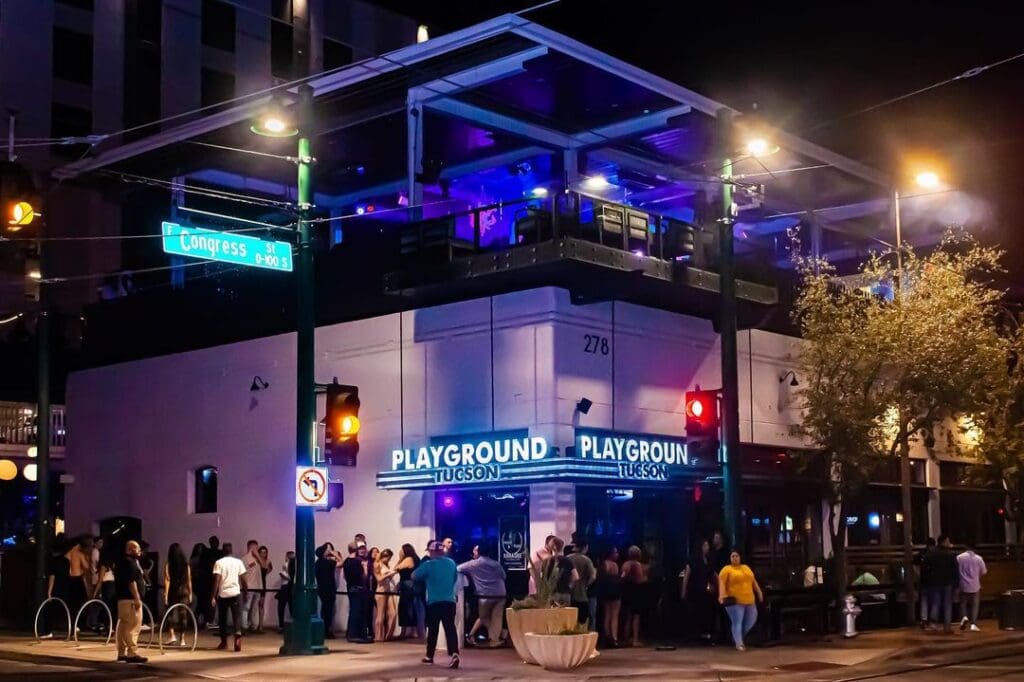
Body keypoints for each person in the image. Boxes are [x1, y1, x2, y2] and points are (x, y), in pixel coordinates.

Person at [413, 540, 460, 669]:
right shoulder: (451, 563)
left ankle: (429, 656)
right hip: (450, 601)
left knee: (433, 630)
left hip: (434, 602)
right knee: (450, 628)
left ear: (432, 551)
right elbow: (455, 578)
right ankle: (454, 653)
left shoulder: (429, 564)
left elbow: (414, 576)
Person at [458, 540, 506, 647]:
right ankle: (495, 639)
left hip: (484, 595)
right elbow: (504, 576)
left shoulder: (473, 564)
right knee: (497, 618)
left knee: (484, 617)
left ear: (478, 552)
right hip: (500, 594)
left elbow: (458, 568)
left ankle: (494, 637)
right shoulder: (496, 564)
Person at [718, 549, 763, 651]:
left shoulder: (746, 568)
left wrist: (759, 592)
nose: (734, 558)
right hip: (735, 601)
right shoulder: (726, 569)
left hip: (749, 599)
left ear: (740, 557)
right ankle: (739, 643)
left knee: (751, 619)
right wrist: (721, 595)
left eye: (736, 556)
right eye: (732, 556)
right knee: (737, 621)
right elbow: (722, 583)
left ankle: (738, 637)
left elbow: (753, 581)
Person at [114, 540, 148, 663]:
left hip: (122, 599)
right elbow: (132, 582)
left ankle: (121, 652)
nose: (139, 551)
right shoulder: (130, 563)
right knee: (133, 626)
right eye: (137, 548)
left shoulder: (121, 562)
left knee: (123, 626)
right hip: (131, 600)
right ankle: (132, 652)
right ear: (130, 549)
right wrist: (137, 597)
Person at [212, 542, 248, 652]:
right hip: (236, 593)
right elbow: (243, 579)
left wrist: (213, 596)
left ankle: (224, 642)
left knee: (223, 619)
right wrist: (246, 591)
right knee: (237, 617)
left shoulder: (219, 562)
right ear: (232, 550)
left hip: (223, 594)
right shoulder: (238, 562)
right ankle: (237, 636)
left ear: (223, 551)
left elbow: (217, 580)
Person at [922, 534, 959, 633]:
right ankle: (947, 626)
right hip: (947, 582)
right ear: (943, 541)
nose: (949, 543)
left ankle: (933, 624)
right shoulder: (951, 555)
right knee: (947, 605)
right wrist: (956, 584)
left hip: (934, 582)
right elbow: (955, 570)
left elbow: (925, 569)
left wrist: (925, 581)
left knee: (935, 603)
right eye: (947, 541)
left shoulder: (931, 554)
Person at [681, 539, 716, 642]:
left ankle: (706, 633)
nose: (707, 548)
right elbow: (686, 576)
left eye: (708, 545)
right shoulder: (693, 560)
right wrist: (683, 591)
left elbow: (713, 574)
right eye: (705, 545)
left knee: (707, 611)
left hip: (706, 590)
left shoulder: (709, 560)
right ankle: (696, 634)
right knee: (696, 612)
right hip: (695, 589)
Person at [163, 543, 192, 646]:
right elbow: (189, 580)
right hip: (184, 590)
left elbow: (167, 580)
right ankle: (182, 639)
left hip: (173, 590)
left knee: (169, 613)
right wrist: (190, 593)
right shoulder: (186, 565)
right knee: (183, 614)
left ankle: (172, 636)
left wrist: (165, 594)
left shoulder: (168, 564)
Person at [342, 542, 372, 642]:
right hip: (359, 588)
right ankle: (358, 635)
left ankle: (351, 633)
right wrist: (365, 567)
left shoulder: (346, 561)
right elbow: (364, 577)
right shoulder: (358, 561)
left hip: (350, 588)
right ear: (356, 550)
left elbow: (345, 576)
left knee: (353, 610)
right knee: (360, 611)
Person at [620, 545, 648, 647]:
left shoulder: (625, 564)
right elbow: (640, 579)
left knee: (628, 616)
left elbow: (622, 576)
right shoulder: (637, 564)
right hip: (636, 591)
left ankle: (626, 638)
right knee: (636, 617)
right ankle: (635, 639)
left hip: (627, 591)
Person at [65, 536, 94, 630]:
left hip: (70, 579)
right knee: (80, 603)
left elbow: (66, 559)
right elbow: (86, 567)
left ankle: (73, 623)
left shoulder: (70, 552)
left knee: (73, 604)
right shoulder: (79, 554)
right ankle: (76, 623)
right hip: (77, 579)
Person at [957, 543, 987, 632]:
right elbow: (984, 571)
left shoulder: (959, 558)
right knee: (974, 605)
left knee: (963, 603)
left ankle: (964, 618)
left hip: (962, 584)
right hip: (975, 585)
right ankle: (973, 624)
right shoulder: (978, 558)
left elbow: (955, 569)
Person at [395, 543, 422, 639]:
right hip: (408, 585)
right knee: (407, 608)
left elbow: (397, 568)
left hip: (408, 586)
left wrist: (400, 558)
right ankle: (409, 631)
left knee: (407, 608)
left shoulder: (409, 559)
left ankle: (408, 631)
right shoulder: (412, 558)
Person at [567, 536, 596, 626]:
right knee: (583, 621)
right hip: (582, 595)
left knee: (570, 620)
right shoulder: (587, 560)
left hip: (569, 595)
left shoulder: (568, 558)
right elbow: (593, 576)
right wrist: (586, 585)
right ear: (585, 547)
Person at [597, 547, 622, 647]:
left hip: (605, 591)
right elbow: (616, 578)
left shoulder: (602, 564)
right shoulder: (614, 565)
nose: (617, 554)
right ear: (610, 554)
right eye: (615, 552)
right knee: (615, 615)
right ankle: (614, 638)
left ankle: (607, 637)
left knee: (607, 615)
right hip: (615, 591)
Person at [316, 543, 341, 639]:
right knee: (328, 610)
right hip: (329, 589)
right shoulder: (328, 563)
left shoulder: (317, 563)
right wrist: (335, 554)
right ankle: (326, 630)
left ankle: (324, 630)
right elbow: (341, 562)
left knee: (324, 609)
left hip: (321, 589)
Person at [374, 548, 399, 641]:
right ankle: (379, 636)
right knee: (381, 614)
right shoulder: (377, 564)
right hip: (381, 590)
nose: (389, 560)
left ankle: (388, 635)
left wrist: (394, 572)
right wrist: (389, 574)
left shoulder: (386, 565)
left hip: (389, 590)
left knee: (393, 613)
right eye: (388, 558)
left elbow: (388, 577)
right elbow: (379, 579)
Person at [240, 540, 262, 633]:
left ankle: (253, 625)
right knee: (246, 607)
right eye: (255, 547)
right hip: (248, 587)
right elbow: (242, 574)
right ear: (251, 547)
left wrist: (258, 556)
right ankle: (244, 626)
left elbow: (264, 567)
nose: (257, 549)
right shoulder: (244, 559)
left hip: (257, 587)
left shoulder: (257, 559)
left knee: (254, 608)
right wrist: (244, 588)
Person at [916, 537, 937, 628]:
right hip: (933, 581)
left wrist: (918, 575)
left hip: (924, 580)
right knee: (934, 601)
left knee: (924, 600)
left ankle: (924, 619)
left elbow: (915, 566)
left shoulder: (921, 554)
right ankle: (931, 620)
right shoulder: (935, 554)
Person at [276, 551, 295, 633]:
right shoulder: (289, 564)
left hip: (286, 586)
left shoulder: (287, 564)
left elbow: (288, 576)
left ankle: (281, 626)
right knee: (290, 606)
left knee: (282, 607)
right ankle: (291, 625)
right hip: (288, 587)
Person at [189, 543, 207, 626]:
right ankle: (196, 620)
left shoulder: (202, 559)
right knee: (200, 603)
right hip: (197, 583)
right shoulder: (195, 559)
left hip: (202, 583)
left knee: (201, 603)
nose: (200, 550)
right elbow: (191, 572)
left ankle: (196, 620)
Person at [256, 545, 272, 633]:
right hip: (255, 584)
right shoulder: (256, 562)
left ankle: (261, 625)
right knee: (253, 605)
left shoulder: (267, 561)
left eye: (265, 552)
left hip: (263, 584)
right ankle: (252, 624)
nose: (263, 554)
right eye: (261, 552)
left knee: (261, 605)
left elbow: (269, 569)